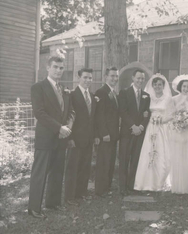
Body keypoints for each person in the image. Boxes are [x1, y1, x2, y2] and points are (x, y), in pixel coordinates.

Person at [28, 56, 75, 218]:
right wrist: (58, 128)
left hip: (62, 137)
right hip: (46, 137)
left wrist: (68, 127)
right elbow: (39, 113)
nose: (58, 70)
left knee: (57, 171)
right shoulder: (38, 87)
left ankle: (53, 203)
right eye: (55, 67)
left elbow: (71, 111)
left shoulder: (65, 89)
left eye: (61, 68)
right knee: (40, 173)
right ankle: (34, 208)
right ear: (48, 68)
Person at [64, 68, 98, 206]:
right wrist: (69, 138)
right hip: (75, 139)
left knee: (85, 167)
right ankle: (69, 197)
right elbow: (68, 117)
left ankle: (81, 193)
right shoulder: (72, 95)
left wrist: (95, 136)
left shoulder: (92, 96)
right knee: (73, 168)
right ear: (79, 78)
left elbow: (93, 119)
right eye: (85, 77)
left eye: (90, 78)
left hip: (88, 139)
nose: (88, 80)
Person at [134, 74, 173, 191]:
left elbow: (171, 115)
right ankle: (145, 182)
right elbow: (144, 111)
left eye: (159, 85)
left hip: (162, 128)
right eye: (155, 85)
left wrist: (162, 120)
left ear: (163, 86)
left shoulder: (168, 99)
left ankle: (160, 182)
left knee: (161, 153)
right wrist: (148, 116)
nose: (157, 87)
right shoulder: (148, 97)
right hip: (150, 127)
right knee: (148, 152)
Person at [118, 69, 151, 195]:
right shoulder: (124, 93)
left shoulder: (146, 96)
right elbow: (123, 111)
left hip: (140, 133)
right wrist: (133, 126)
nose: (140, 80)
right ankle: (122, 186)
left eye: (142, 78)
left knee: (136, 158)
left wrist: (141, 127)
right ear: (133, 78)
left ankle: (132, 185)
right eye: (138, 78)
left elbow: (147, 114)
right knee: (124, 158)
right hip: (127, 132)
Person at [169, 75, 188, 194]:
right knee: (178, 155)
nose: (186, 89)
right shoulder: (173, 99)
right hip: (177, 129)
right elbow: (171, 114)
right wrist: (178, 120)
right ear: (180, 87)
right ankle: (177, 184)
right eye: (184, 86)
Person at [94, 67, 120, 196]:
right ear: (106, 77)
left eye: (116, 76)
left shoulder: (114, 93)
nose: (114, 78)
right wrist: (104, 133)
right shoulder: (101, 92)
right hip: (106, 135)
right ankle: (100, 189)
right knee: (103, 161)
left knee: (110, 161)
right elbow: (99, 115)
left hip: (113, 134)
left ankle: (107, 187)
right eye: (112, 76)